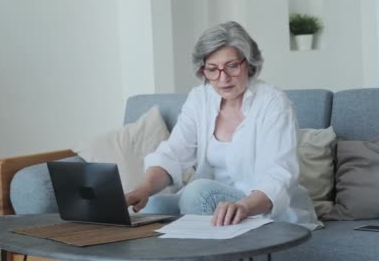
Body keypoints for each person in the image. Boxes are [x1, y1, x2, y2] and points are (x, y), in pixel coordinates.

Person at [125, 21, 320, 230]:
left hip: (257, 204)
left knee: (198, 193)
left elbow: (279, 174)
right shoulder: (200, 98)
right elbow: (173, 154)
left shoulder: (273, 103)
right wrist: (143, 189)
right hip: (209, 203)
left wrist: (244, 206)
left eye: (232, 66)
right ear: (203, 70)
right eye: (212, 69)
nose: (223, 78)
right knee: (153, 206)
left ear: (249, 63)